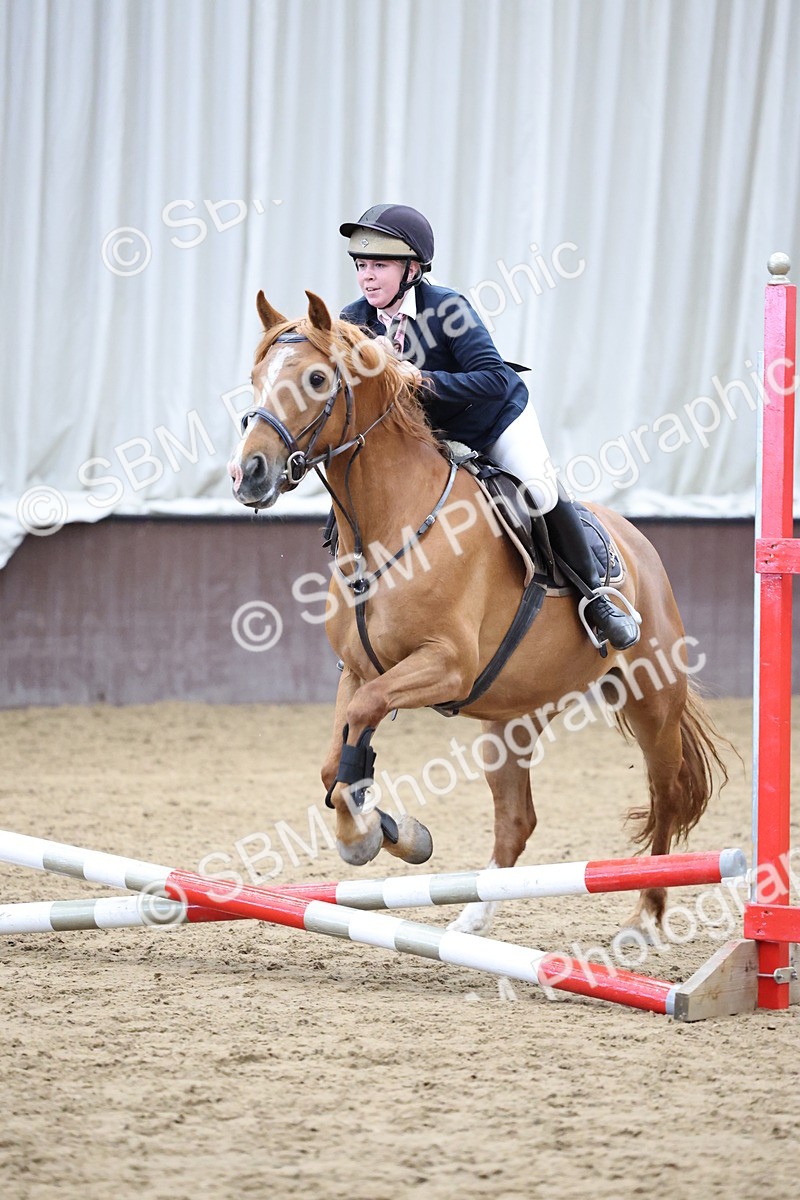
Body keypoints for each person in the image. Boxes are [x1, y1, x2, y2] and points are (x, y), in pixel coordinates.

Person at [338, 203, 640, 652]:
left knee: (539, 490)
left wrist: (416, 377)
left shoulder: (448, 310)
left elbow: (495, 379)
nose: (367, 277)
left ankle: (597, 597)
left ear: (413, 269)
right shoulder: (354, 319)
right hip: (429, 438)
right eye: (362, 266)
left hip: (493, 421)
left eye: (379, 265)